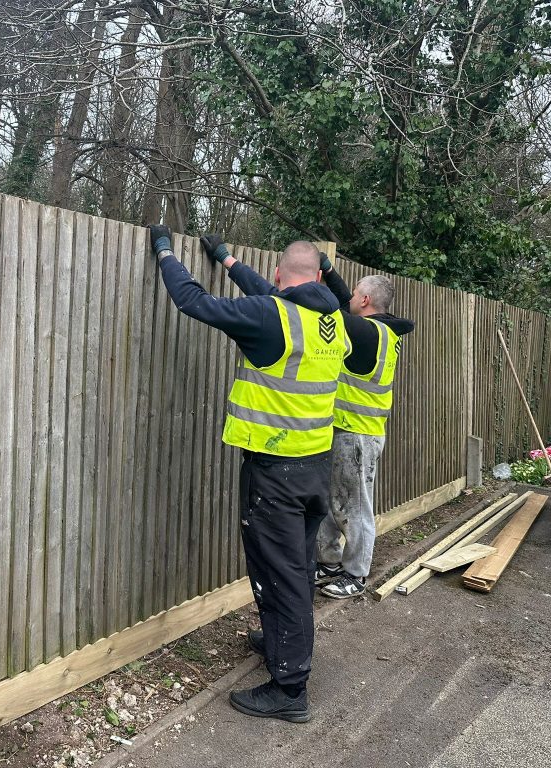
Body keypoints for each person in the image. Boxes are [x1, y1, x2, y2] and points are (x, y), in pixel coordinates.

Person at [148, 224, 347, 723]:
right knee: (294, 567)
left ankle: (290, 689)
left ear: (283, 275)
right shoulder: (334, 322)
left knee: (281, 576)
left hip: (276, 472)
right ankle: (280, 644)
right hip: (314, 469)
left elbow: (192, 300)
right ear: (319, 276)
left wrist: (166, 252)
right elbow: (271, 298)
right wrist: (228, 259)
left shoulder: (275, 316)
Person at [313, 268, 414, 599]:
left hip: (356, 435)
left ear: (366, 300)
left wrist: (310, 280)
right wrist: (328, 270)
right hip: (357, 432)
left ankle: (355, 574)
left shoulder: (364, 333)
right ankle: (328, 562)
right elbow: (346, 300)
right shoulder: (383, 331)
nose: (351, 297)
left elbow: (331, 307)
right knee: (335, 501)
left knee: (354, 507)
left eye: (357, 293)